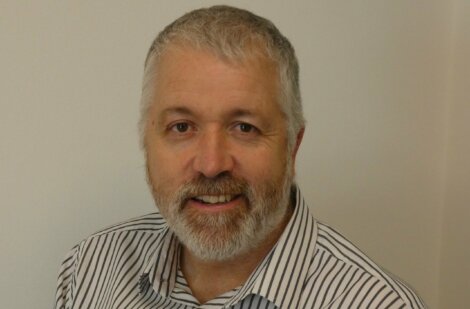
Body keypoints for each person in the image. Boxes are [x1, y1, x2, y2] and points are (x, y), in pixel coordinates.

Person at [54, 5, 425, 308]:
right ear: (146, 142)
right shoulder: (91, 267)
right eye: (182, 127)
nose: (212, 164)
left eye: (244, 128)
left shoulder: (378, 303)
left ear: (293, 147)